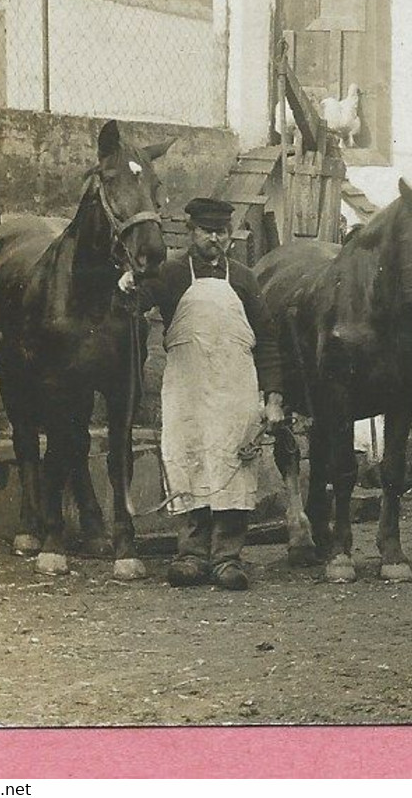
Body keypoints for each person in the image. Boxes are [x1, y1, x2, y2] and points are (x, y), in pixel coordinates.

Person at [118, 197, 285, 591]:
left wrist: (273, 396)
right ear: (192, 233)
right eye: (207, 232)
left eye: (221, 232)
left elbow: (268, 341)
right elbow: (132, 309)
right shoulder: (170, 274)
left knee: (232, 465)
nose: (215, 239)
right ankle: (191, 554)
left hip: (234, 388)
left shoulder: (244, 278)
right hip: (187, 389)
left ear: (230, 235)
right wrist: (127, 285)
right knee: (189, 462)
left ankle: (227, 557)